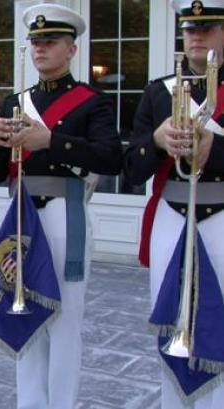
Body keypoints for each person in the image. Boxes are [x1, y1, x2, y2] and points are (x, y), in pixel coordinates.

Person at [0, 3, 122, 408]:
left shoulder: (91, 101)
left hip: (64, 214)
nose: (40, 48)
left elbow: (112, 159)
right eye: (35, 41)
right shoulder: (14, 102)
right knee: (23, 312)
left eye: (50, 41)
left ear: (71, 49)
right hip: (22, 215)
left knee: (63, 321)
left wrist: (51, 142)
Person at [124, 1, 224, 408]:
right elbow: (130, 167)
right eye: (188, 29)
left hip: (220, 216)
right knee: (170, 321)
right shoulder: (159, 91)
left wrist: (213, 148)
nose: (195, 36)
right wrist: (157, 142)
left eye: (208, 27)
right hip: (171, 217)